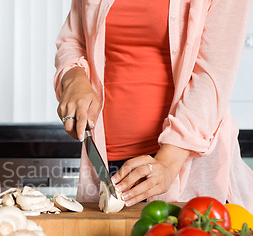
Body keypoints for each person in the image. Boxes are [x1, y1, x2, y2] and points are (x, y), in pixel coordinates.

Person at [54, 0, 253, 211]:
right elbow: (74, 40)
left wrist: (169, 161)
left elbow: (212, 75)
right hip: (107, 164)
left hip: (181, 163)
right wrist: (74, 78)